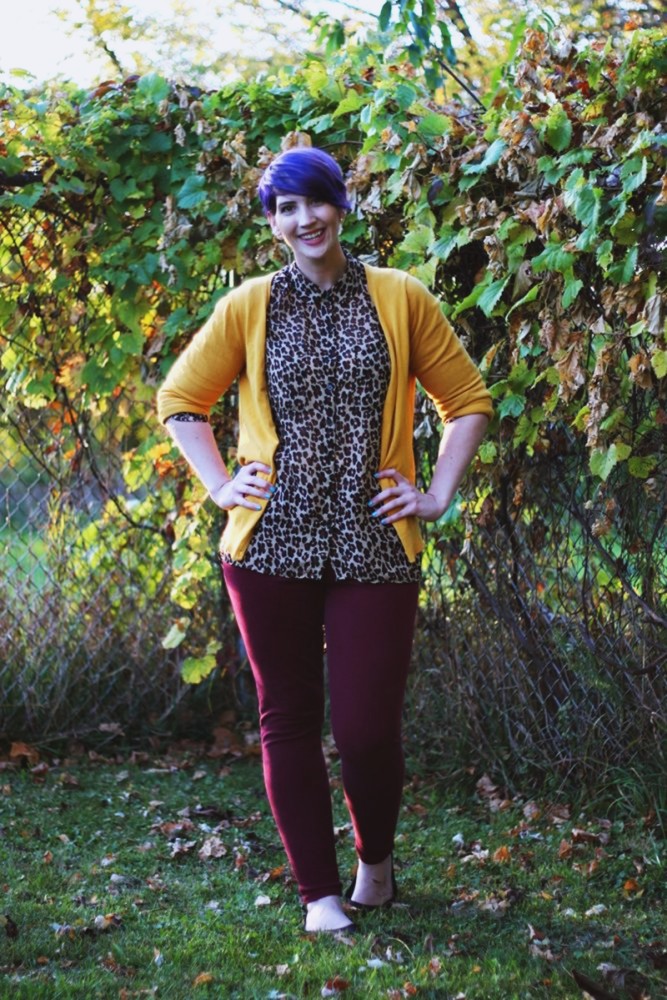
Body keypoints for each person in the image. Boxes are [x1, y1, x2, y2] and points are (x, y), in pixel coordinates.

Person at [157, 146, 492, 934]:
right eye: (285, 209)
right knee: (288, 717)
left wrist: (435, 493)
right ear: (272, 222)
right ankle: (317, 895)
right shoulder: (248, 305)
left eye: (315, 203)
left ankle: (375, 863)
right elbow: (181, 399)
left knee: (367, 728)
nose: (303, 220)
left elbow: (466, 399)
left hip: (376, 544)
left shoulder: (399, 297)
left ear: (342, 205)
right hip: (271, 544)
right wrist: (218, 483)